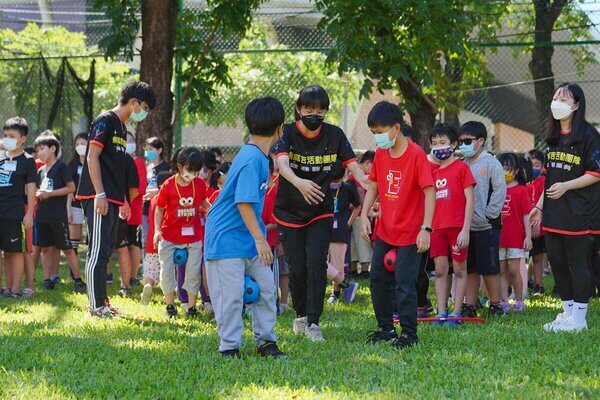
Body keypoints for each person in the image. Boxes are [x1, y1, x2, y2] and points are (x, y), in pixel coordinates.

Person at [274, 84, 367, 342]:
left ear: (326, 111)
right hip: (289, 212)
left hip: (321, 211)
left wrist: (368, 181)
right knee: (297, 269)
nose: (314, 114)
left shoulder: (335, 135)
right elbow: (281, 163)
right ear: (299, 109)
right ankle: (300, 315)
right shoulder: (288, 132)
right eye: (309, 109)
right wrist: (300, 183)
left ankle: (314, 323)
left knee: (316, 263)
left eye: (320, 110)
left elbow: (353, 167)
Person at [205, 97, 287, 359]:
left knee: (265, 288)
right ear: (280, 129)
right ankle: (229, 347)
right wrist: (261, 241)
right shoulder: (252, 158)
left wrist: (257, 239)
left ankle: (266, 342)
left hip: (249, 236)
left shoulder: (259, 156)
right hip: (226, 238)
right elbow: (243, 203)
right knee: (230, 297)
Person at [75, 81, 156, 318]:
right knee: (97, 251)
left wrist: (123, 201)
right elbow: (92, 157)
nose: (145, 112)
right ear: (134, 102)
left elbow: (116, 169)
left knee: (107, 250)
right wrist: (100, 193)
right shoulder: (106, 121)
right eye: (146, 107)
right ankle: (95, 307)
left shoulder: (121, 128)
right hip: (97, 195)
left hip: (111, 198)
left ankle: (102, 302)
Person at [361, 101, 435, 349]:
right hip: (386, 229)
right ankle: (385, 328)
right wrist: (363, 215)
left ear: (395, 128)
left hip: (411, 233)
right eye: (374, 133)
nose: (378, 138)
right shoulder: (382, 153)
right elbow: (374, 185)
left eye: (380, 132)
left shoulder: (416, 155)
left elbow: (429, 192)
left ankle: (409, 334)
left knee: (405, 284)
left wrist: (426, 229)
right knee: (378, 279)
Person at [530, 83, 600, 332]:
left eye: (564, 98)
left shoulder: (589, 135)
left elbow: (595, 173)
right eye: (555, 97)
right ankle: (568, 313)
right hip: (554, 212)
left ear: (576, 105)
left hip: (581, 214)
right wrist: (539, 206)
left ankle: (580, 319)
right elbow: (549, 176)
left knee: (579, 263)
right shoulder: (553, 137)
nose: (557, 101)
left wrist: (567, 186)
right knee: (558, 262)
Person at [457, 121, 507, 317]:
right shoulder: (461, 164)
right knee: (470, 268)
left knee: (490, 267)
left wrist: (489, 214)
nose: (463, 145)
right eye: (460, 142)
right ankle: (470, 305)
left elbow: (499, 190)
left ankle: (495, 304)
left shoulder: (491, 163)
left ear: (480, 141)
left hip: (488, 226)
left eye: (467, 141)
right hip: (467, 227)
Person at [428, 123, 475, 325]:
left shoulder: (461, 168)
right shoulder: (433, 172)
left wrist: (465, 229)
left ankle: (456, 312)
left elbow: (470, 200)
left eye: (443, 142)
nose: (439, 147)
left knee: (459, 269)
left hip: (457, 228)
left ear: (453, 144)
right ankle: (441, 312)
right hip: (437, 228)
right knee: (439, 269)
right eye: (435, 143)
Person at [154, 147, 208, 317]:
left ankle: (191, 307)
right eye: (189, 169)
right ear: (179, 165)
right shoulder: (168, 185)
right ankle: (170, 306)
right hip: (169, 236)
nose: (192, 174)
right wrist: (157, 231)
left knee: (193, 272)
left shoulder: (198, 184)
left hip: (193, 237)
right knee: (167, 272)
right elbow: (159, 209)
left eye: (196, 171)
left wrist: (212, 210)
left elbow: (203, 201)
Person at [33, 133, 86, 293]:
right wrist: (38, 193)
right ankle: (47, 279)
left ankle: (77, 279)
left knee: (67, 248)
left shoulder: (61, 167)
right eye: (37, 149)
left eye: (42, 148)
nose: (39, 152)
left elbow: (71, 188)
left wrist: (50, 194)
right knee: (46, 248)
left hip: (58, 216)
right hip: (42, 216)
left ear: (53, 148)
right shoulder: (41, 170)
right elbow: (36, 188)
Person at [0, 117, 37, 298]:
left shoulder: (28, 161)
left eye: (11, 136)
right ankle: (5, 288)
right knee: (4, 252)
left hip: (15, 212)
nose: (7, 138)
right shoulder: (0, 157)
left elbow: (31, 188)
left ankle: (15, 289)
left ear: (22, 139)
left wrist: (29, 213)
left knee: (15, 252)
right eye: (5, 135)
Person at [497, 152, 532, 312]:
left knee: (514, 270)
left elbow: (526, 216)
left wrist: (528, 237)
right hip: (499, 238)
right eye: (502, 169)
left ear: (516, 171)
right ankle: (504, 301)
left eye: (508, 169)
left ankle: (519, 300)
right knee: (502, 270)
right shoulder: (496, 189)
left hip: (516, 238)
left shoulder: (521, 190)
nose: (505, 172)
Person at [326, 162, 361, 305]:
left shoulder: (347, 188)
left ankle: (335, 293)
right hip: (323, 230)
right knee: (319, 262)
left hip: (340, 231)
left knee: (337, 263)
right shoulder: (324, 188)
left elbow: (357, 206)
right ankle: (347, 285)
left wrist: (349, 222)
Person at [141, 170, 172, 305]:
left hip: (152, 242)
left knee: (151, 268)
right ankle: (168, 296)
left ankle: (148, 284)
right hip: (168, 241)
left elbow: (149, 222)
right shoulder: (170, 198)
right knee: (168, 270)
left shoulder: (153, 199)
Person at [113, 151, 140, 297]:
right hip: (99, 208)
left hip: (119, 211)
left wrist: (124, 203)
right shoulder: (97, 155)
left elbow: (134, 188)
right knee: (100, 249)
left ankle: (126, 285)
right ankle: (100, 281)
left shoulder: (125, 159)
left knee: (122, 247)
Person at [142, 136, 170, 258]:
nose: (148, 152)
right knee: (145, 236)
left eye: (151, 149)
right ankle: (147, 262)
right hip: (146, 207)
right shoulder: (147, 168)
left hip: (161, 208)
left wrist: (157, 192)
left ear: (159, 150)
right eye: (147, 149)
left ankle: (162, 260)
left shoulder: (167, 168)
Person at [348, 151, 374, 279]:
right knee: (363, 241)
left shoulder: (352, 172)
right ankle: (364, 270)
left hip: (350, 213)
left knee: (353, 241)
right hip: (358, 213)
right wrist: (366, 211)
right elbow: (360, 192)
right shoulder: (360, 172)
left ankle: (353, 269)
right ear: (368, 162)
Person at [125, 132, 147, 285]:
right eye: (126, 140)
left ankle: (132, 277)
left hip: (133, 210)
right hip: (121, 209)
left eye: (131, 140)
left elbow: (140, 187)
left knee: (133, 242)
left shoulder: (138, 162)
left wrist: (127, 202)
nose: (129, 143)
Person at [526, 149, 547, 295]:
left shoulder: (544, 182)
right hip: (529, 227)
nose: (534, 169)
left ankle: (539, 285)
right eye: (530, 165)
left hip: (543, 227)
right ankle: (534, 284)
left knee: (540, 257)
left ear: (543, 166)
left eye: (537, 165)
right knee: (535, 257)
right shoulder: (524, 184)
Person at [68, 133, 88, 255]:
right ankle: (74, 274)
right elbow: (68, 189)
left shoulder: (97, 162)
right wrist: (68, 208)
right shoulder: (71, 166)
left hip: (92, 204)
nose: (80, 146)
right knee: (73, 239)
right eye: (78, 144)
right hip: (75, 205)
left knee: (93, 238)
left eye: (83, 144)